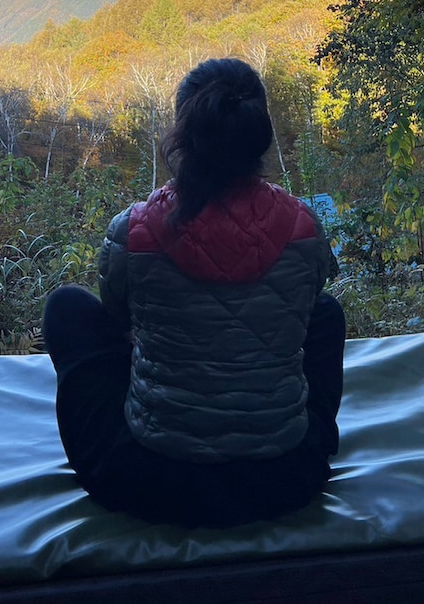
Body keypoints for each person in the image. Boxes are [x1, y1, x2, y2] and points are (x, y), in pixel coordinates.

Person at [43, 57, 345, 528]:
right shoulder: (304, 228)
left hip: (150, 480)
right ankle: (312, 437)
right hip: (287, 477)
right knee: (326, 314)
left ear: (184, 138)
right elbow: (306, 306)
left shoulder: (135, 230)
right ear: (258, 135)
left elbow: (120, 323)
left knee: (67, 308)